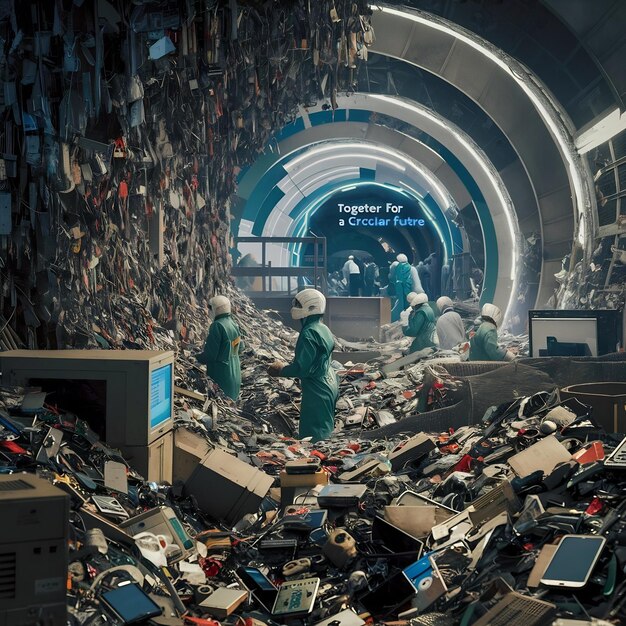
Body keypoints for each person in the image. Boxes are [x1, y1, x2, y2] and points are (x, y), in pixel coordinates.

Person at [267, 288, 338, 442]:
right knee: (325, 427)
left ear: (310, 307)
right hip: (330, 382)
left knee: (313, 434)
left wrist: (280, 370)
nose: (295, 308)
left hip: (316, 388)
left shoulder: (308, 333)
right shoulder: (323, 328)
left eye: (298, 304)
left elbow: (302, 368)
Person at [197, 295, 242, 400]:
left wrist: (196, 358)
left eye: (210, 308)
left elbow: (210, 355)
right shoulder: (233, 324)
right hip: (235, 374)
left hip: (221, 376)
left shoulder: (217, 326)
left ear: (216, 309)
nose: (209, 311)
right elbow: (240, 347)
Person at [391, 254, 414, 321]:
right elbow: (407, 277)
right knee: (407, 300)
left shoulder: (398, 266)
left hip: (400, 286)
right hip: (406, 286)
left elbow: (397, 276)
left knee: (400, 300)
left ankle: (400, 315)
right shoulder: (408, 266)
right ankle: (408, 314)